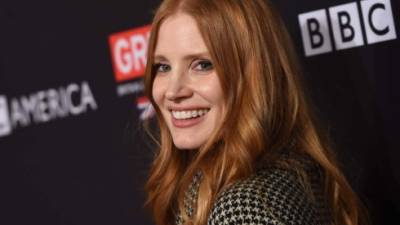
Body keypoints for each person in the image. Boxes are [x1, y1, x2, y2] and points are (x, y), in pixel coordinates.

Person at [143, 0, 368, 225]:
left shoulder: (242, 207)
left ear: (255, 76)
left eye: (203, 65)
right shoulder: (294, 172)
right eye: (163, 67)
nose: (172, 91)